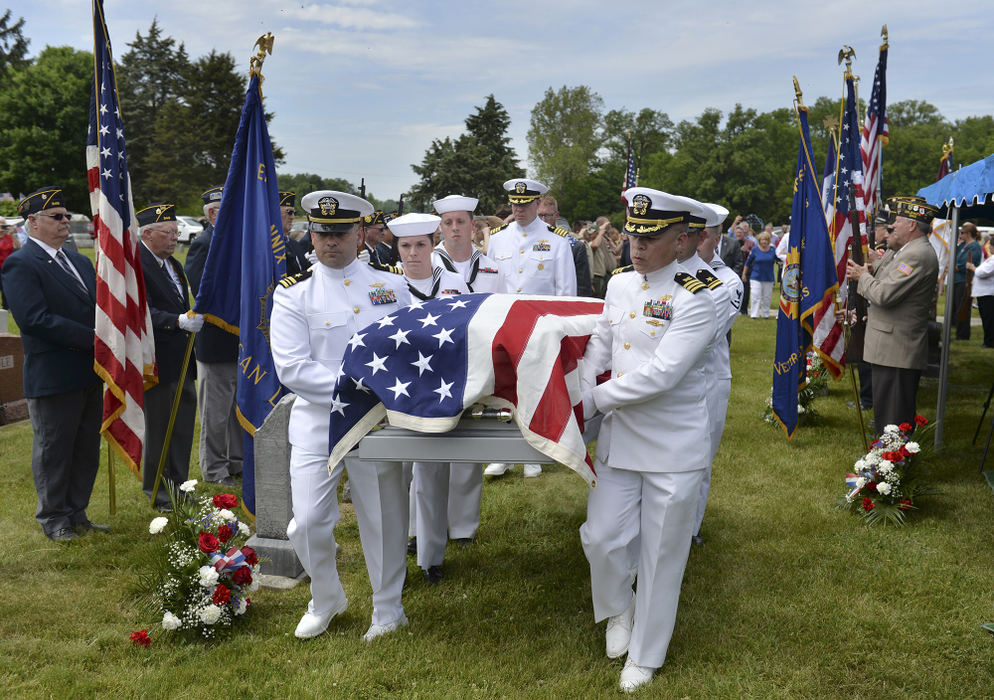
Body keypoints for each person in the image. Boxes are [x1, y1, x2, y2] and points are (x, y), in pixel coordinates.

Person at [579, 187, 716, 693]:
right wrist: (579, 388)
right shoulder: (618, 285)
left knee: (662, 556)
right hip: (621, 437)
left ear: (681, 239)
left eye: (651, 237)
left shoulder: (700, 294)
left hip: (671, 445)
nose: (637, 246)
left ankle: (646, 653)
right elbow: (600, 344)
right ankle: (620, 608)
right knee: (601, 538)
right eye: (634, 234)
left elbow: (664, 374)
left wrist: (595, 401)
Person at [270, 190, 412, 641]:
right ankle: (326, 597)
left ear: (360, 233)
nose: (331, 241)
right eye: (321, 232)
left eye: (341, 232)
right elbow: (292, 367)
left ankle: (389, 610)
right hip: (320, 422)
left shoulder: (392, 285)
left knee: (384, 518)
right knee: (307, 522)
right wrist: (360, 389)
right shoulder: (294, 294)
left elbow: (409, 351)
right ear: (311, 236)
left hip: (378, 422)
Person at [1, 186, 105, 541]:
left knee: (86, 447)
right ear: (32, 222)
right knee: (54, 450)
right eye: (56, 217)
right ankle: (53, 518)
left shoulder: (79, 261)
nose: (65, 222)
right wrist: (93, 338)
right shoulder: (20, 263)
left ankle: (77, 512)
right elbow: (34, 319)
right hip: (53, 373)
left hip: (90, 371)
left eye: (66, 217)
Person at [388, 211, 470, 585]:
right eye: (405, 246)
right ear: (398, 248)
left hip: (440, 388)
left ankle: (431, 555)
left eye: (421, 244)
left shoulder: (455, 283)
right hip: (396, 389)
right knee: (396, 473)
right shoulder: (385, 286)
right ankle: (400, 543)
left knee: (433, 473)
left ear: (432, 244)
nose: (413, 254)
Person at [486, 179, 578, 478]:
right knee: (504, 388)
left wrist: (562, 330)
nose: (519, 209)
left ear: (538, 204)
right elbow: (491, 285)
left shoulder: (557, 240)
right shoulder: (498, 240)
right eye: (514, 204)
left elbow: (566, 292)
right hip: (504, 324)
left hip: (541, 326)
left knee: (535, 387)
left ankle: (533, 453)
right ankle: (502, 453)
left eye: (525, 204)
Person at [427, 195, 503, 550]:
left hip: (477, 366)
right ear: (440, 227)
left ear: (474, 226)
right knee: (426, 451)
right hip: (434, 368)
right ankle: (421, 528)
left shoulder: (493, 268)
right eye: (448, 223)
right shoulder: (426, 263)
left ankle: (462, 528)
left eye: (461, 222)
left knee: (469, 449)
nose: (455, 229)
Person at [846, 196, 940, 436]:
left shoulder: (916, 255)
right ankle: (888, 465)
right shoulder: (905, 251)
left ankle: (892, 467)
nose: (892, 227)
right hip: (892, 348)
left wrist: (861, 276)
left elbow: (885, 294)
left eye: (897, 221)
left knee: (894, 419)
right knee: (888, 416)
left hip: (897, 350)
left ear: (912, 225)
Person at [137, 203, 203, 510]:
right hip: (156, 360)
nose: (175, 238)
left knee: (182, 426)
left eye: (176, 232)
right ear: (148, 234)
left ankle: (179, 484)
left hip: (182, 359)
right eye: (168, 232)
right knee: (160, 427)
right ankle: (158, 489)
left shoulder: (172, 264)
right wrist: (175, 320)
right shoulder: (137, 263)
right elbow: (138, 311)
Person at [691, 202, 742, 544]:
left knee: (698, 457)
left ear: (709, 237)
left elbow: (705, 338)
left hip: (707, 379)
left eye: (694, 237)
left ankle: (688, 529)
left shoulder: (727, 281)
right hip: (670, 380)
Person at [184, 186, 242, 486]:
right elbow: (200, 289)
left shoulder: (234, 243)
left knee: (236, 411)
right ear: (213, 213)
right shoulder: (204, 244)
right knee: (216, 415)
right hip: (216, 342)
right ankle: (214, 469)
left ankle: (236, 462)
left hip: (238, 342)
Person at [536, 194, 593, 296]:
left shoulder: (574, 246)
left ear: (556, 216)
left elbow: (582, 289)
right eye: (539, 215)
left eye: (548, 215)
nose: (543, 220)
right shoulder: (525, 242)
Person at [953, 222, 983, 340]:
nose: (960, 235)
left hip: (966, 280)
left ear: (969, 234)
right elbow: (954, 257)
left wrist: (957, 266)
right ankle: (958, 331)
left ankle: (963, 335)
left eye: (962, 233)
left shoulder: (974, 246)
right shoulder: (962, 245)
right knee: (957, 308)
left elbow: (967, 262)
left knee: (963, 308)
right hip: (957, 280)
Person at [742, 231, 776, 318]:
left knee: (767, 297)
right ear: (759, 240)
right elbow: (747, 263)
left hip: (768, 277)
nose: (764, 241)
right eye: (762, 240)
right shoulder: (755, 250)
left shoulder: (773, 250)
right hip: (756, 277)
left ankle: (765, 314)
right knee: (755, 296)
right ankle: (754, 315)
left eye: (766, 240)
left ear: (769, 240)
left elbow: (778, 259)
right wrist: (744, 274)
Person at [279, 191, 310, 275]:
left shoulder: (294, 244)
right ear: (275, 214)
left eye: (294, 213)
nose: (293, 217)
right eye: (289, 212)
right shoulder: (267, 247)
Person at [969, 247, 994, 348]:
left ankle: (989, 342)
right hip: (984, 293)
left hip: (988, 293)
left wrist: (973, 268)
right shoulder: (991, 258)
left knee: (989, 320)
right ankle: (988, 340)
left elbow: (982, 272)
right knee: (986, 319)